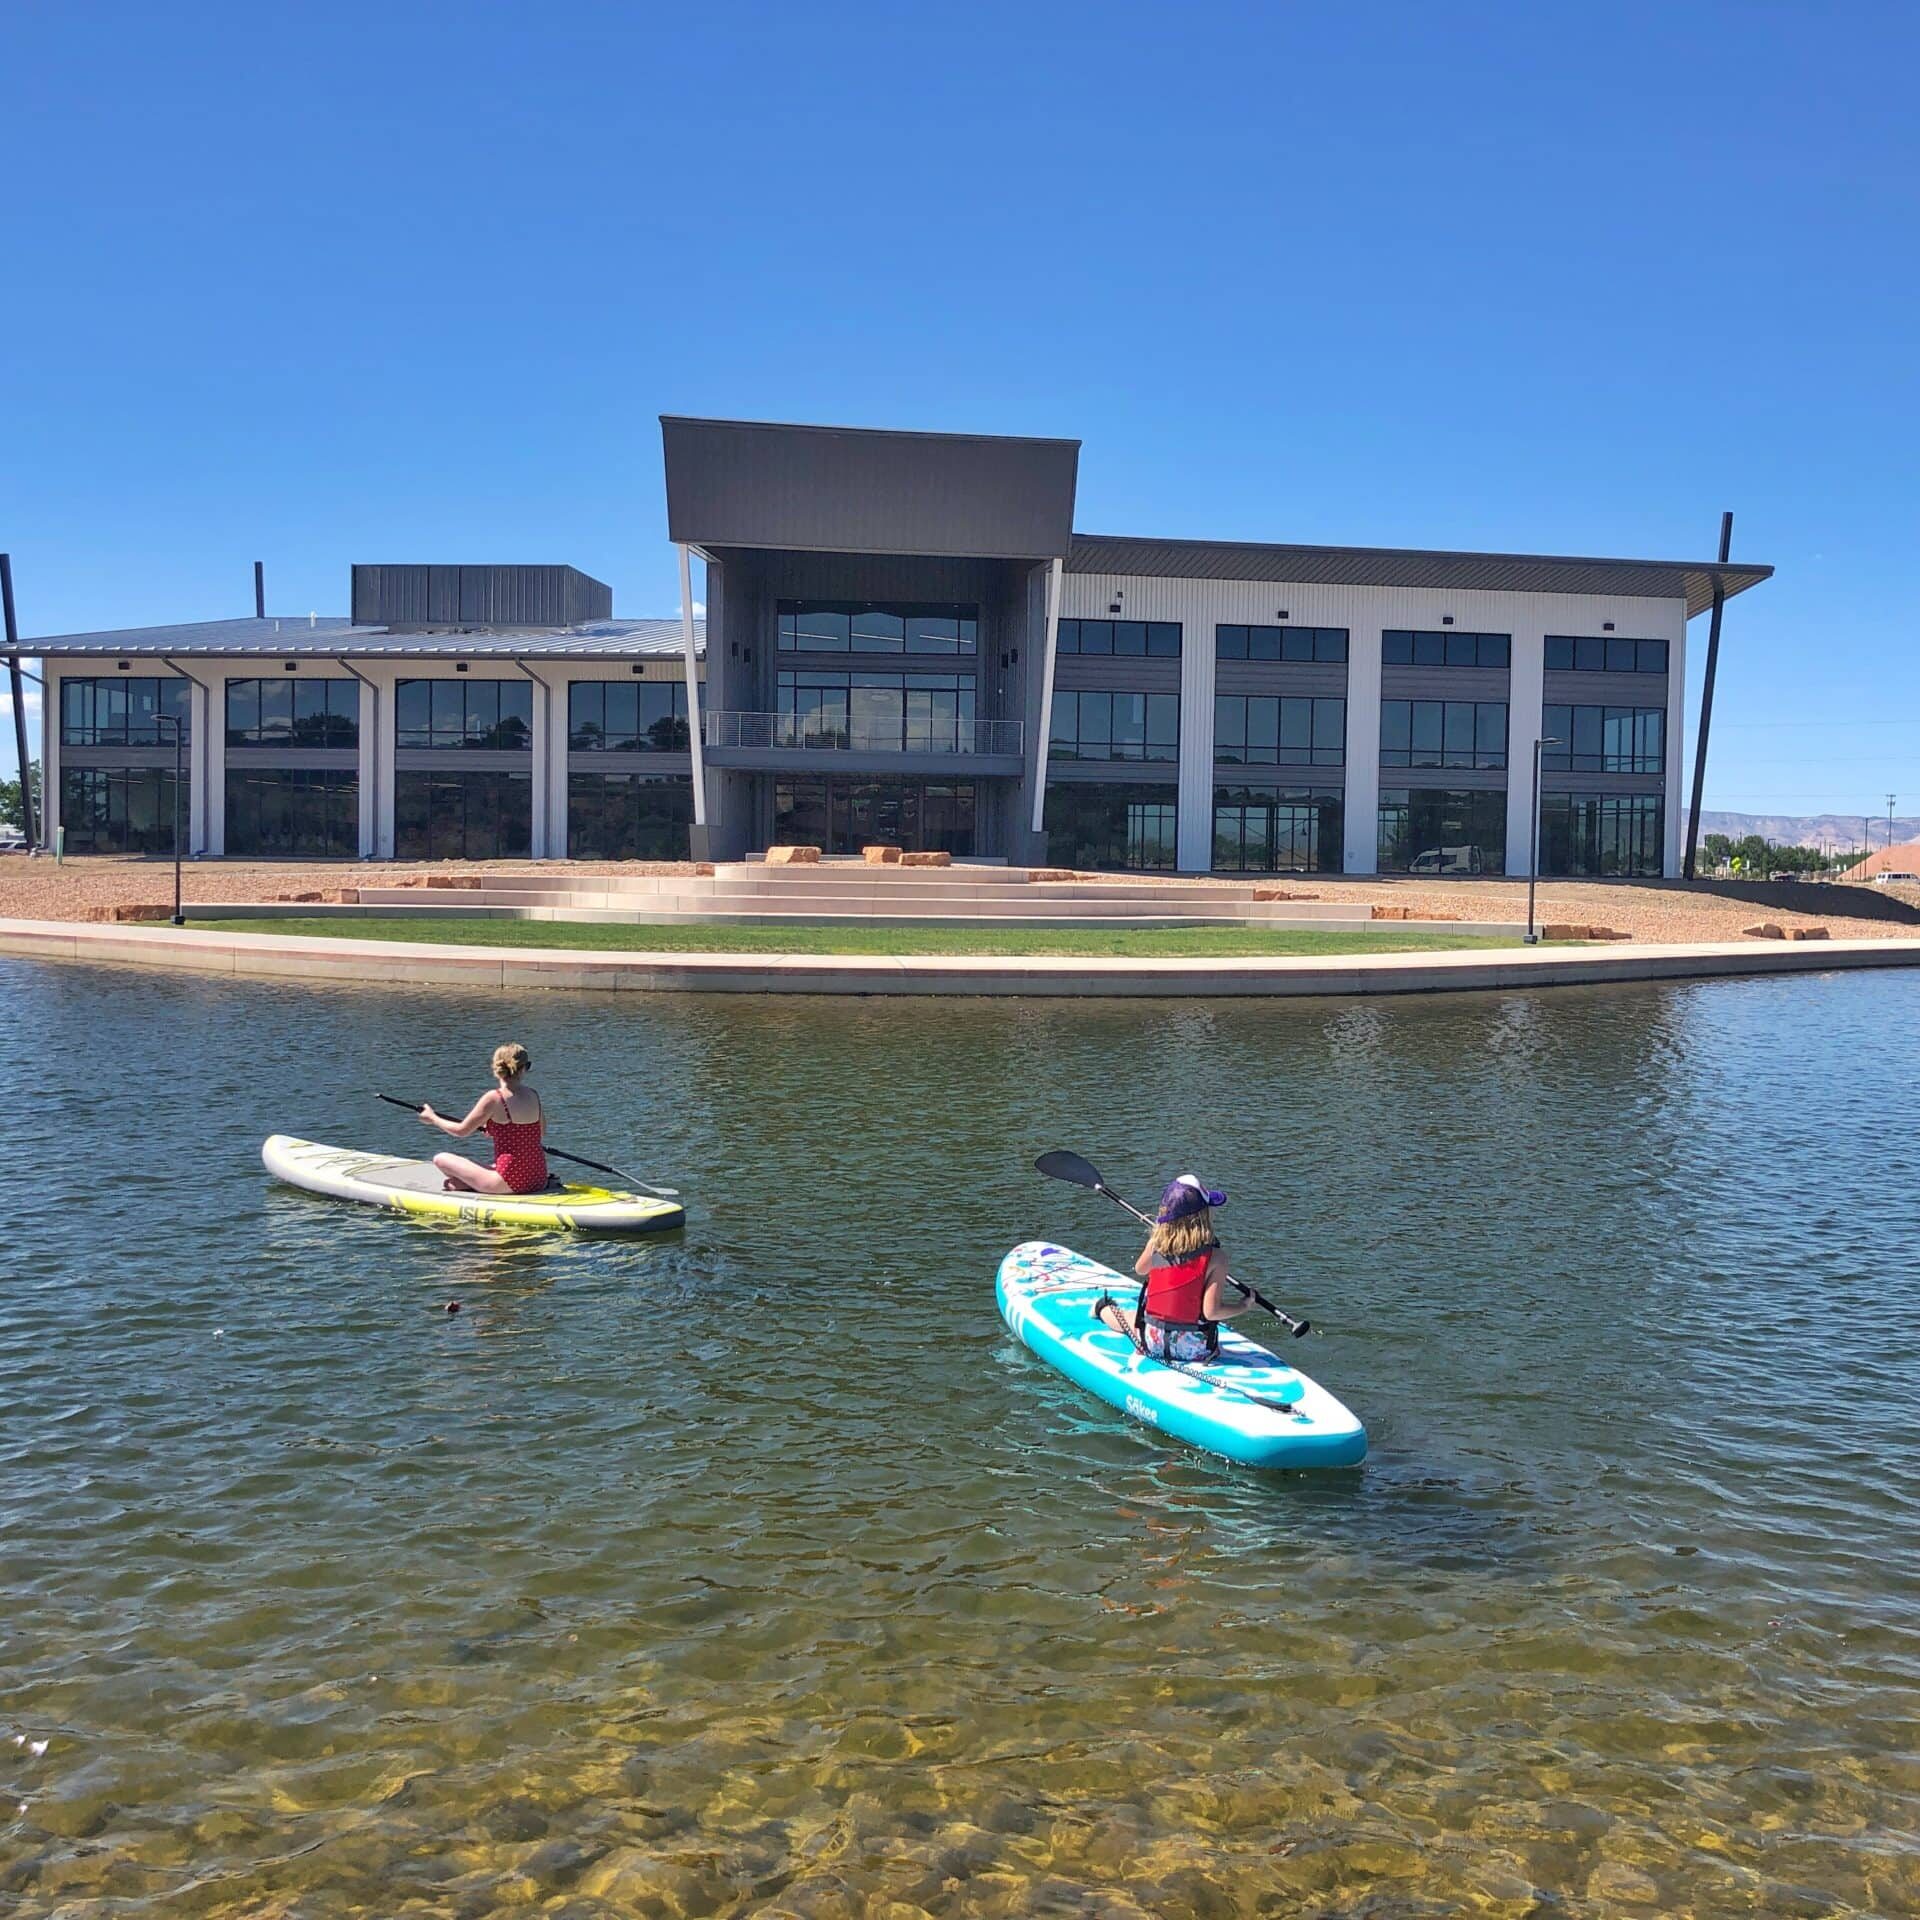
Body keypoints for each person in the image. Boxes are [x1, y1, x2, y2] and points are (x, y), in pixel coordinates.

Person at [1093, 1174, 1253, 1362]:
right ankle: (1104, 1309)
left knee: (1128, 1317)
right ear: (1204, 1216)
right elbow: (1211, 1312)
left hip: (1152, 1341)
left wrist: (1156, 1238)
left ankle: (1101, 1308)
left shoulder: (1157, 1245)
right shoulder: (1217, 1258)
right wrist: (1244, 1305)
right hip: (1195, 1349)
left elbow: (1140, 1269)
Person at [419, 1043, 550, 1195]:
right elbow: (539, 1133)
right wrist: (499, 1132)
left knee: (440, 1159)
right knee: (483, 1168)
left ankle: (469, 1184)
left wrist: (432, 1118)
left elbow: (461, 1131)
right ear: (523, 1069)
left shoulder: (494, 1098)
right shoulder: (533, 1095)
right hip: (539, 1179)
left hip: (509, 1182)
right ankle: (467, 1183)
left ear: (496, 1069)